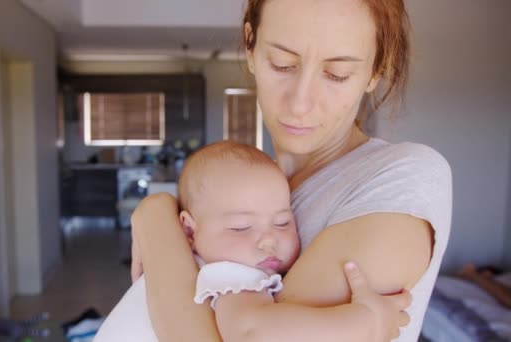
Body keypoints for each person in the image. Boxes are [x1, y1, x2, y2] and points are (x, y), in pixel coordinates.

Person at [130, 0, 453, 341]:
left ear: (376, 69)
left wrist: (154, 220)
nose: (300, 103)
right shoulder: (249, 187)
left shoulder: (403, 176)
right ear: (251, 46)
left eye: (337, 74)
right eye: (282, 65)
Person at [94, 141, 410, 341]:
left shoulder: (199, 258)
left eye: (283, 222)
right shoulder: (227, 272)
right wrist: (365, 324)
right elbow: (251, 331)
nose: (267, 241)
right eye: (241, 228)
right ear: (190, 232)